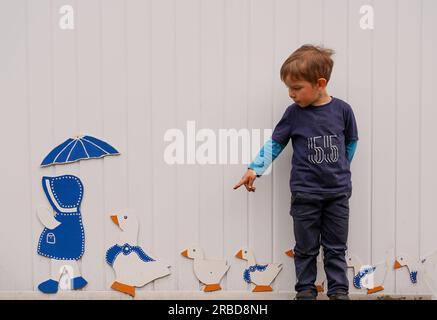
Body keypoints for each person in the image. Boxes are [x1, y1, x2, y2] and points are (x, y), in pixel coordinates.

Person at [233, 45, 359, 300]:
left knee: (335, 248)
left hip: (337, 194)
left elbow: (351, 142)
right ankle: (305, 291)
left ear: (320, 83)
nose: (291, 94)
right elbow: (276, 143)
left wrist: (341, 168)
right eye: (288, 88)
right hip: (304, 195)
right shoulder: (293, 114)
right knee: (305, 248)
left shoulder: (342, 111)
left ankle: (338, 291)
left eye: (297, 88)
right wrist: (254, 169)